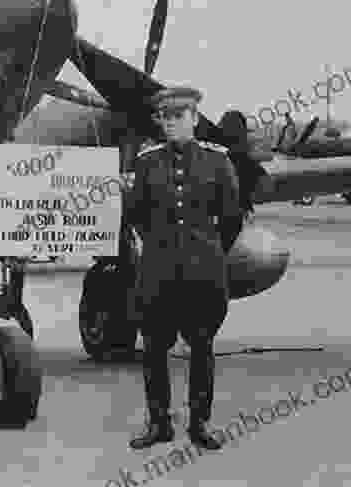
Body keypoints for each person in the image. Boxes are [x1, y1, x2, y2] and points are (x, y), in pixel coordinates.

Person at [123, 87, 243, 450]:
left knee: (202, 348)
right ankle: (159, 423)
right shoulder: (147, 161)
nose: (172, 124)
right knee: (154, 349)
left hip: (202, 273)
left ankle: (199, 424)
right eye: (167, 117)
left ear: (194, 119)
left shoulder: (218, 160)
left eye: (180, 116)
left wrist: (207, 251)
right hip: (159, 273)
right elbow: (136, 215)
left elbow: (232, 217)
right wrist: (161, 246)